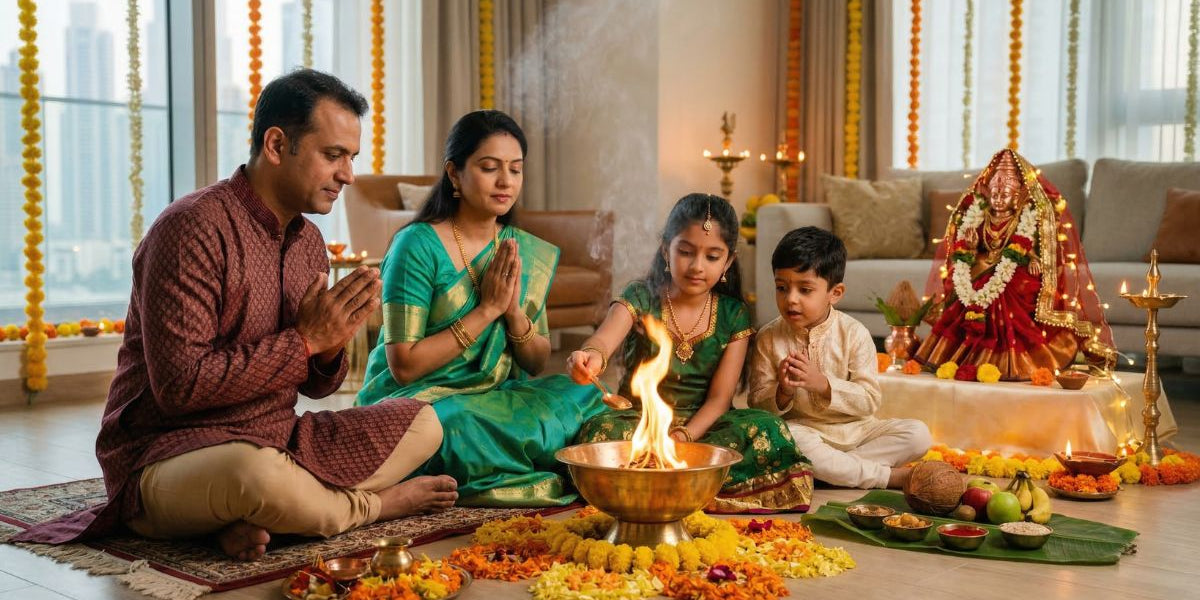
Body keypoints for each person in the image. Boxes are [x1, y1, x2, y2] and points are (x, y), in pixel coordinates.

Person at [13, 69, 458, 560]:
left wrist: (329, 349)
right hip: (167, 454)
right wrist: (305, 342)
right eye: (333, 155)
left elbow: (314, 388)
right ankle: (369, 507)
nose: (348, 175)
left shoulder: (309, 244)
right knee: (255, 476)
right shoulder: (191, 230)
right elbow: (180, 387)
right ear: (275, 144)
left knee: (425, 421)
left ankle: (246, 518)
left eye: (351, 157)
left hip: (279, 438)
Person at [356, 110, 606, 507]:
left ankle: (517, 460)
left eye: (516, 169)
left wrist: (513, 313)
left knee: (583, 397)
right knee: (457, 424)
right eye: (490, 168)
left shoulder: (518, 248)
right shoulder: (417, 246)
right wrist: (486, 310)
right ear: (454, 174)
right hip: (426, 402)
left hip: (494, 396)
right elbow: (403, 365)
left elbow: (538, 361)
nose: (506, 181)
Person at [571, 194, 813, 513]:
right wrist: (590, 356)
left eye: (713, 257)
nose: (697, 267)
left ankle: (656, 476)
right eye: (686, 252)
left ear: (728, 262)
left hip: (703, 427)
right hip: (637, 422)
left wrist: (683, 438)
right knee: (599, 432)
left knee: (768, 428)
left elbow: (719, 399)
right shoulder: (640, 296)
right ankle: (694, 479)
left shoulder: (733, 314)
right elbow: (603, 341)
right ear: (666, 250)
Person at [749, 227, 931, 489]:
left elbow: (869, 400)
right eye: (781, 287)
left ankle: (830, 471)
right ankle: (884, 477)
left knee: (918, 435)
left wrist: (822, 384)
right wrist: (783, 392)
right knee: (789, 439)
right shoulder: (768, 337)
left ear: (835, 293)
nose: (791, 299)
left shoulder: (854, 333)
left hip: (857, 432)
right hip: (804, 433)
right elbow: (758, 406)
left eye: (805, 290)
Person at [914, 148, 1114, 380]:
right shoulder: (980, 214)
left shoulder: (1026, 216)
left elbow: (1035, 246)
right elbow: (971, 248)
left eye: (1004, 194)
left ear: (1017, 196)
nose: (998, 199)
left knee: (1009, 287)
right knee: (967, 284)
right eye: (995, 193)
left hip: (1012, 268)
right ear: (988, 194)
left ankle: (1006, 360)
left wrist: (1033, 259)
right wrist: (970, 244)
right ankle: (961, 356)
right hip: (982, 265)